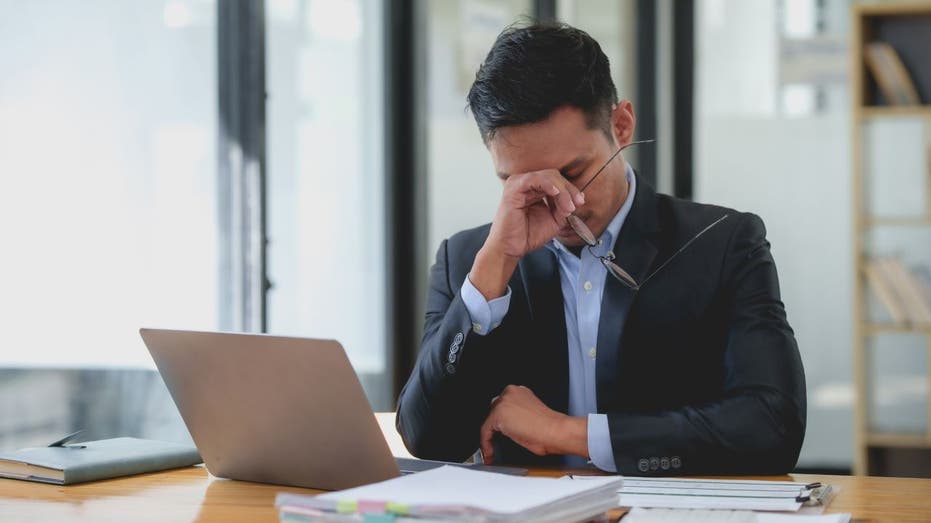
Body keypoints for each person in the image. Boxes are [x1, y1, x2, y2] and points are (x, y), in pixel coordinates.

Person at [396, 22, 805, 475]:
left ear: (622, 125)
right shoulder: (468, 261)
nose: (560, 205)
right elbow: (426, 436)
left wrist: (569, 433)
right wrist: (492, 271)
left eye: (572, 173)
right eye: (522, 184)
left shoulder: (724, 242)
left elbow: (773, 427)